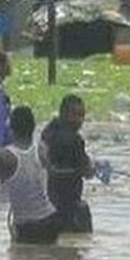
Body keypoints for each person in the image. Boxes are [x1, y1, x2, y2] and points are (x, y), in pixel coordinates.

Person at [0, 106, 60, 244]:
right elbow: (51, 171)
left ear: (11, 127)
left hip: (26, 226)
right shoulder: (42, 149)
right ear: (33, 126)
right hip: (50, 219)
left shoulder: (4, 156)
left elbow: (1, 177)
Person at [41, 95, 95, 233]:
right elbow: (86, 171)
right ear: (64, 114)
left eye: (82, 116)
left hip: (48, 201)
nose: (80, 120)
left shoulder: (48, 131)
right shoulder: (76, 140)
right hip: (69, 204)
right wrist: (93, 168)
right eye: (75, 115)